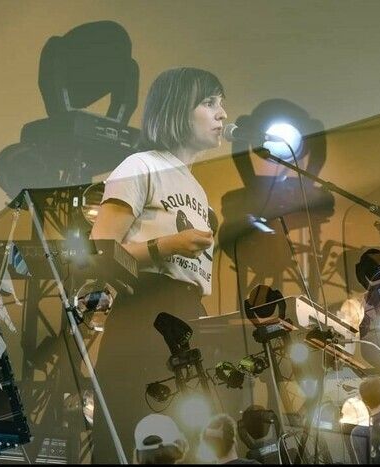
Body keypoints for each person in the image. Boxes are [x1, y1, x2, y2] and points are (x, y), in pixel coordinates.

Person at [89, 67, 227, 463]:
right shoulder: (141, 165)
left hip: (189, 318)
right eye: (209, 102)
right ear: (178, 109)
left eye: (222, 104)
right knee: (129, 431)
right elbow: (100, 249)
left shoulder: (200, 192)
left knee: (189, 442)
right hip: (144, 313)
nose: (222, 114)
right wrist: (168, 245)